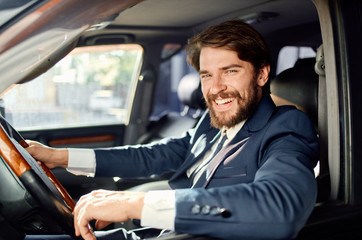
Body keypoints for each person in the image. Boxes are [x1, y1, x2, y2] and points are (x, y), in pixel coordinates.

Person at [25, 20, 319, 240]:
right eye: (207, 75)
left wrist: (135, 204)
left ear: (262, 74)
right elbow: (150, 156)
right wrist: (59, 157)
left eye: (230, 71)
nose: (215, 89)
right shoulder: (213, 120)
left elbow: (280, 208)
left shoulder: (287, 127)